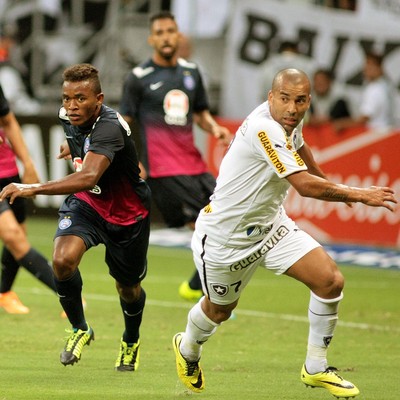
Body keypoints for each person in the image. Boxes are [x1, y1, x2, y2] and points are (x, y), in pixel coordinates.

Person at [172, 69, 397, 398]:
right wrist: (356, 193)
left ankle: (316, 367)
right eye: (285, 99)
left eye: (300, 100)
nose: (292, 108)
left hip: (272, 228)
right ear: (270, 97)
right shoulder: (265, 127)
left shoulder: (292, 121)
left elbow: (302, 148)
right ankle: (188, 348)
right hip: (226, 239)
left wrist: (333, 185)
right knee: (219, 310)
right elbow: (304, 186)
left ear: (308, 100)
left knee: (330, 280)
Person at [0, 63, 151, 371]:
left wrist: (32, 188)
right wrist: (76, 149)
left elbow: (88, 176)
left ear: (99, 98)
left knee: (128, 288)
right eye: (66, 98)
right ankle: (80, 329)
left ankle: (130, 340)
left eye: (80, 98)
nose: (71, 106)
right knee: (62, 260)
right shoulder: (66, 117)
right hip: (88, 206)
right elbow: (86, 168)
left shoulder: (110, 125)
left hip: (126, 214)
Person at [119, 11, 231, 302]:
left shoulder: (191, 72)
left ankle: (197, 285)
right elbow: (124, 122)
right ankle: (203, 286)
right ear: (151, 38)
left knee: (224, 219)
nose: (166, 37)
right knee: (216, 222)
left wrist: (215, 127)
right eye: (160, 32)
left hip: (194, 164)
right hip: (165, 170)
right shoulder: (139, 78)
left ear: (178, 35)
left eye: (171, 31)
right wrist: (134, 161)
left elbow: (201, 113)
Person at [0, 83, 57, 314]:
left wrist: (28, 162)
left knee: (18, 235)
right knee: (14, 237)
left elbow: (8, 121)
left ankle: (4, 293)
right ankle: (68, 293)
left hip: (7, 170)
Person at [334, 51, 395, 131]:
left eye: (370, 65)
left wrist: (342, 123)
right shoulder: (386, 86)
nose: (366, 68)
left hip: (375, 135)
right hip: (385, 132)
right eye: (366, 64)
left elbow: (364, 118)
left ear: (379, 68)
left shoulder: (374, 89)